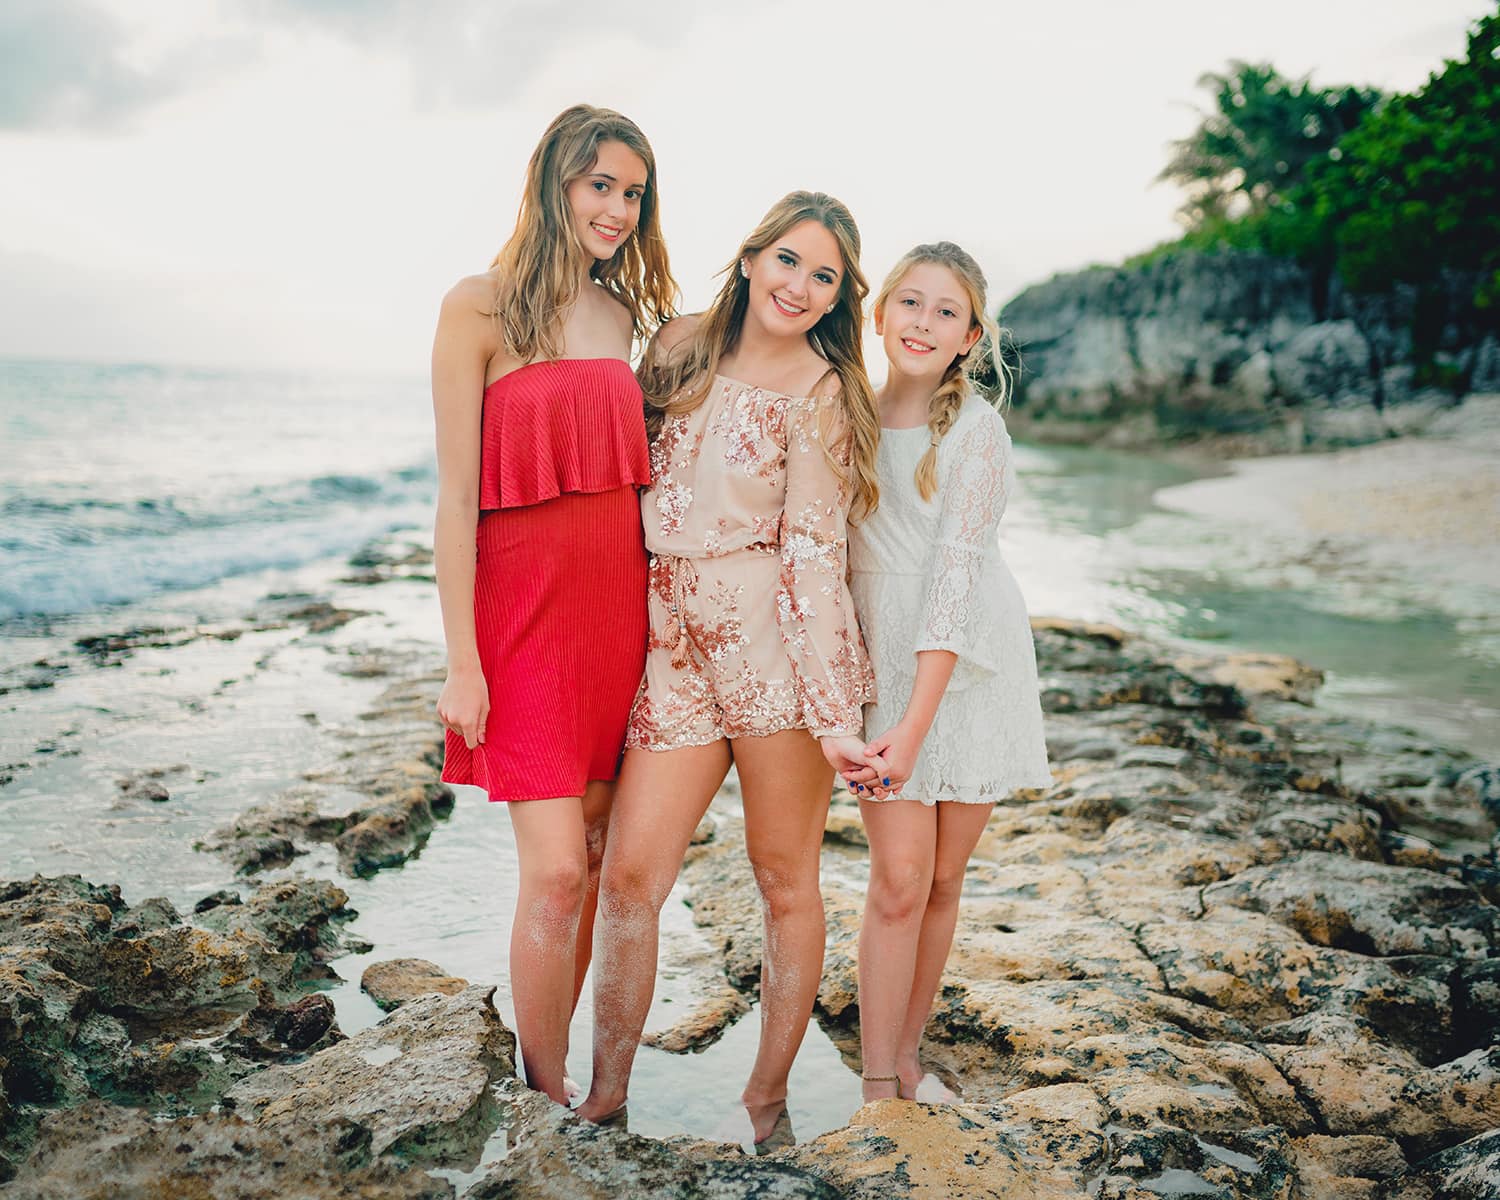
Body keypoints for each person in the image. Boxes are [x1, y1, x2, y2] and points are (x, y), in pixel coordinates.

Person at [576, 191, 883, 1141]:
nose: (799, 285)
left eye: (823, 276)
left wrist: (834, 712)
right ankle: (607, 1093)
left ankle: (767, 1096)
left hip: (774, 653)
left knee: (784, 881)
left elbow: (814, 551)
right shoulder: (674, 347)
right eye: (787, 260)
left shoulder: (823, 392)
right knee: (629, 878)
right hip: (669, 645)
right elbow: (607, 469)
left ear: (837, 297)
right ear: (752, 258)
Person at [430, 104, 675, 1106]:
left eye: (633, 192)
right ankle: (544, 1094)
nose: (617, 208)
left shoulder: (625, 320)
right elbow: (452, 496)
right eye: (600, 185)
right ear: (554, 181)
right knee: (557, 874)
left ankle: (559, 1077)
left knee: (592, 851)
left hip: (619, 615)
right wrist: (461, 661)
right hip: (521, 620)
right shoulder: (477, 307)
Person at [843, 242, 1052, 1103]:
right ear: (880, 311)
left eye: (946, 312)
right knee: (895, 880)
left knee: (939, 880)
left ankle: (910, 1051)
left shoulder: (976, 430)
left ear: (970, 336)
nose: (924, 323)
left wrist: (917, 721)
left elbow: (957, 580)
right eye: (911, 303)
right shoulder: (842, 409)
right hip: (880, 661)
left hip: (969, 661)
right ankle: (879, 1081)